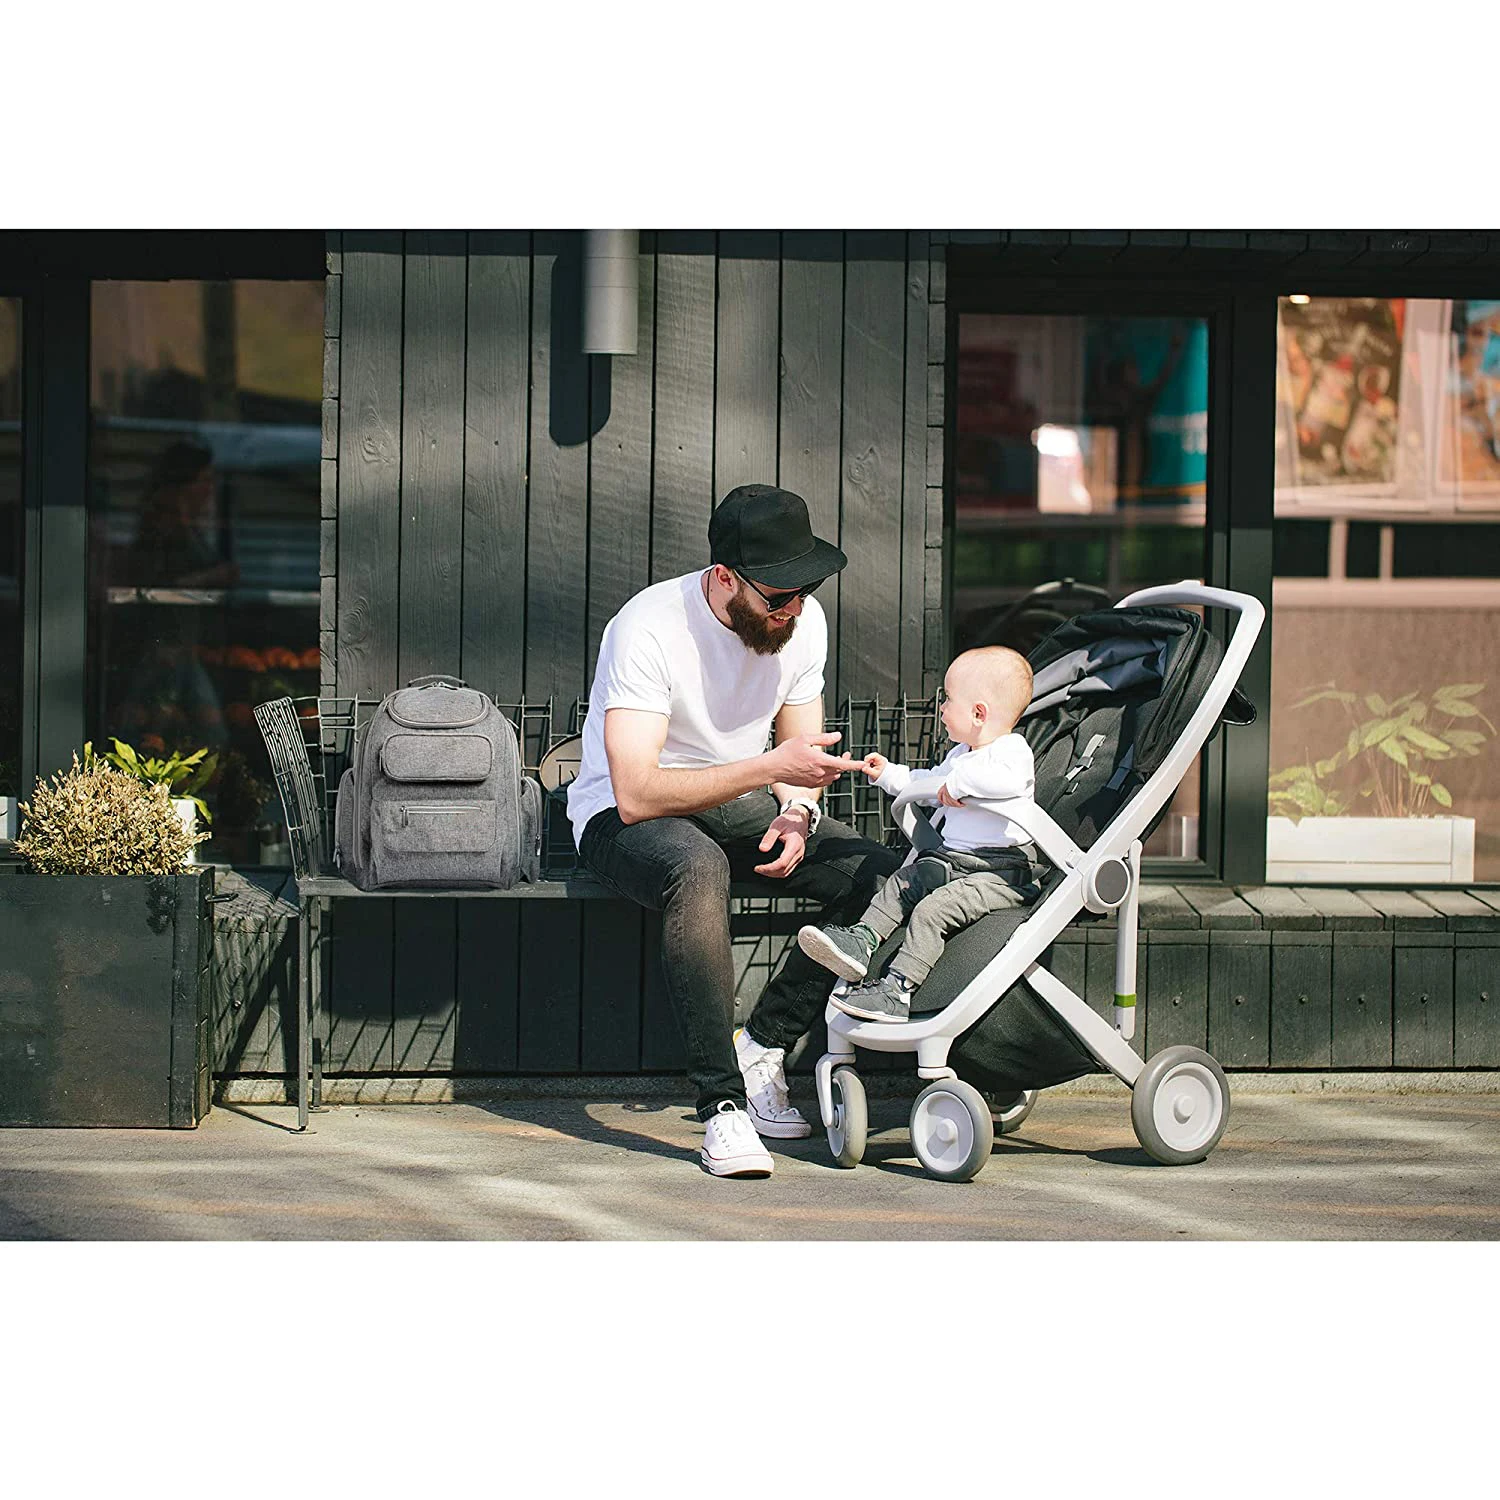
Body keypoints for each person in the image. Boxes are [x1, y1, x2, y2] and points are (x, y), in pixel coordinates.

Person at [568, 484, 904, 1178]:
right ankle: (721, 1106)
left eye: (806, 591)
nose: (794, 610)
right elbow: (636, 792)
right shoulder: (649, 627)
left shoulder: (802, 622)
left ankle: (765, 1045)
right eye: (778, 597)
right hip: (620, 815)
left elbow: (800, 754)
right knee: (698, 869)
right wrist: (770, 769)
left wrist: (797, 811)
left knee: (877, 876)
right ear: (724, 578)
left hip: (738, 798)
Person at [797, 645, 1042, 1024]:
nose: (941, 707)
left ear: (978, 713)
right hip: (955, 862)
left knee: (932, 910)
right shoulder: (961, 754)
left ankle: (898, 990)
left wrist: (959, 785)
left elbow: (1007, 782)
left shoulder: (1012, 751)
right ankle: (862, 941)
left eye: (949, 699)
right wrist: (888, 774)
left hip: (1000, 874)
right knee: (902, 882)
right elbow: (926, 782)